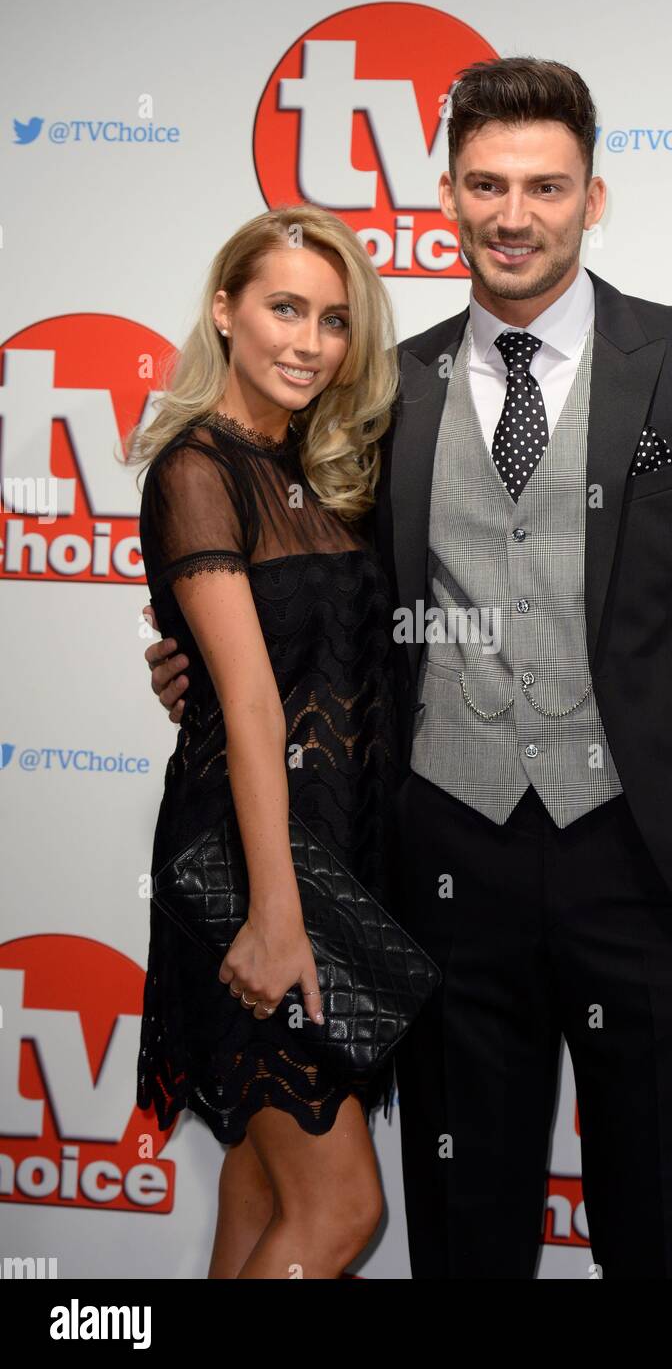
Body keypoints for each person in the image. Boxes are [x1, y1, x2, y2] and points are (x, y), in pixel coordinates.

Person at [147, 57, 672, 1279]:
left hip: (654, 865)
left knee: (666, 1229)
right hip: (447, 872)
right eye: (486, 184)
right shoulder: (380, 390)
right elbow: (304, 586)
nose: (515, 213)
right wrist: (195, 660)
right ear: (448, 198)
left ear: (594, 198)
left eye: (545, 186)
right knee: (465, 1238)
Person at [130, 203, 402, 1279]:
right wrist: (276, 915)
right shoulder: (197, 467)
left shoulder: (330, 471)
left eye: (334, 321)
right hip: (251, 870)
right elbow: (247, 703)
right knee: (339, 1213)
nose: (308, 341)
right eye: (284, 308)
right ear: (224, 309)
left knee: (259, 1186)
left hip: (335, 855)